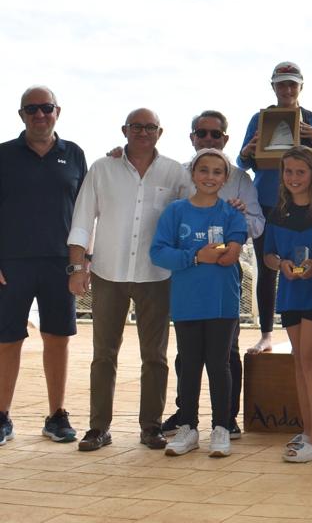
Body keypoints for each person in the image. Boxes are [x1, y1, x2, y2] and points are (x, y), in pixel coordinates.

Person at [68, 108, 189, 451]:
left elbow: (196, 207)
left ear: (160, 133)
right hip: (108, 272)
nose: (143, 132)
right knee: (103, 355)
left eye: (150, 127)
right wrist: (77, 268)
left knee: (156, 356)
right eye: (137, 126)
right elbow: (82, 220)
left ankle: (151, 427)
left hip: (157, 275)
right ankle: (98, 429)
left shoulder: (176, 172)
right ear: (125, 130)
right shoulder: (102, 168)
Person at [161, 111, 265, 440]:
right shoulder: (176, 176)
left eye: (215, 134)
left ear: (226, 139)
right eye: (202, 133)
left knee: (224, 357)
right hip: (188, 284)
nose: (208, 139)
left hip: (221, 287)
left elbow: (255, 226)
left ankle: (226, 419)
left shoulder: (240, 181)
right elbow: (163, 234)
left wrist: (235, 219)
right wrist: (194, 253)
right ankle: (185, 417)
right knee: (187, 358)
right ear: (192, 137)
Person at [0, 86, 88, 446]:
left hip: (60, 264)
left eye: (46, 108)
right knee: (7, 341)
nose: (40, 114)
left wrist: (82, 264)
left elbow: (87, 212)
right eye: (32, 109)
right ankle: (2, 416)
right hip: (11, 264)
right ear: (21, 114)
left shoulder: (76, 154)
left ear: (57, 111)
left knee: (57, 339)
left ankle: (56, 416)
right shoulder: (4, 154)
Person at [150, 149, 247, 457]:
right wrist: (194, 255)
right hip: (187, 301)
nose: (209, 177)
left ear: (226, 178)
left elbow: (230, 255)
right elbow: (159, 252)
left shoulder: (232, 213)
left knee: (219, 364)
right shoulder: (176, 212)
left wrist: (218, 252)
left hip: (221, 302)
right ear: (192, 174)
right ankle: (188, 426)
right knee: (189, 364)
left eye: (217, 172)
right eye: (203, 170)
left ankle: (221, 427)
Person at [238, 61, 312, 355]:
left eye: (292, 83)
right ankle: (266, 334)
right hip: (267, 202)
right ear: (273, 86)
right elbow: (244, 162)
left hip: (306, 206)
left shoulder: (311, 120)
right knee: (268, 266)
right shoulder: (259, 119)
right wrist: (246, 151)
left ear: (301, 86)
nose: (287, 89)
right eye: (281, 84)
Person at [261, 146, 312, 463]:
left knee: (310, 359)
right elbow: (268, 255)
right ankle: (309, 431)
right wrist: (282, 266)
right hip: (290, 293)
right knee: (299, 362)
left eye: (300, 172)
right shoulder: (277, 211)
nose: (293, 178)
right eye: (288, 171)